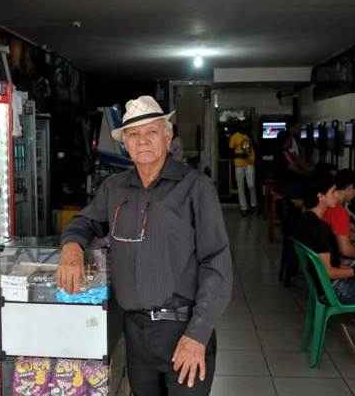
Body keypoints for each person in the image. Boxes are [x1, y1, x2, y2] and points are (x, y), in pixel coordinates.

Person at [58, 95, 233, 396]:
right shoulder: (115, 188)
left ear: (167, 136)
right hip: (135, 334)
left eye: (151, 132)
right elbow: (84, 222)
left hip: (183, 330)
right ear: (124, 143)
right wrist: (71, 248)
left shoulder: (195, 187)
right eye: (133, 135)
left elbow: (216, 263)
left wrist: (198, 334)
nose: (143, 141)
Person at [293, 173, 355, 365]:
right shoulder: (319, 229)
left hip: (321, 287)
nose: (337, 195)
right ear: (321, 197)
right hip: (332, 288)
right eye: (333, 192)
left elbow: (329, 264)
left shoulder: (305, 221)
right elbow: (329, 272)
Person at [228, 125, 257, 216]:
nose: (245, 128)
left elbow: (253, 147)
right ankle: (243, 208)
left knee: (251, 185)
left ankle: (253, 205)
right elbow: (230, 152)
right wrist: (240, 156)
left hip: (250, 163)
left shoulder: (249, 135)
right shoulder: (235, 136)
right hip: (239, 164)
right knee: (240, 186)